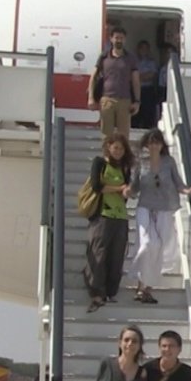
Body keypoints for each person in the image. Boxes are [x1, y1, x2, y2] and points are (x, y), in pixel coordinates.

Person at [126, 130, 191, 304]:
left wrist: (187, 190)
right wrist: (128, 191)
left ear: (161, 145)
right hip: (145, 207)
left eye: (157, 142)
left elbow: (178, 182)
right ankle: (140, 282)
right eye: (151, 142)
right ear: (146, 144)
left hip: (165, 208)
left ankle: (145, 288)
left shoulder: (169, 162)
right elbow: (135, 186)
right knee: (147, 244)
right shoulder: (141, 163)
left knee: (158, 248)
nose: (154, 146)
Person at [83, 133, 134, 312]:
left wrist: (126, 191)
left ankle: (111, 292)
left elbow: (125, 192)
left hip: (120, 216)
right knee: (99, 253)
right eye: (115, 147)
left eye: (121, 148)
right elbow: (97, 186)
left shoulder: (125, 168)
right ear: (108, 147)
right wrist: (118, 188)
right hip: (102, 215)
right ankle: (97, 292)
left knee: (117, 255)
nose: (118, 151)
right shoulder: (100, 162)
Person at [87, 26, 141, 143]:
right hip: (107, 100)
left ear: (125, 39)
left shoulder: (130, 58)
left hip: (125, 100)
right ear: (111, 39)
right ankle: (106, 155)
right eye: (116, 38)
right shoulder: (104, 57)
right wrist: (91, 98)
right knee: (106, 135)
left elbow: (136, 81)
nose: (119, 40)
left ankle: (123, 155)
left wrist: (137, 101)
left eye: (121, 38)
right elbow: (93, 77)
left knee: (123, 136)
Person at [131, 40, 159, 131]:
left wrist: (137, 77)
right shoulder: (133, 62)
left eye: (146, 48)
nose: (143, 50)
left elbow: (152, 75)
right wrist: (140, 77)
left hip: (147, 90)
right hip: (134, 90)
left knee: (147, 113)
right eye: (142, 48)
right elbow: (130, 76)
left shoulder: (151, 62)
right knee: (135, 115)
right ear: (138, 49)